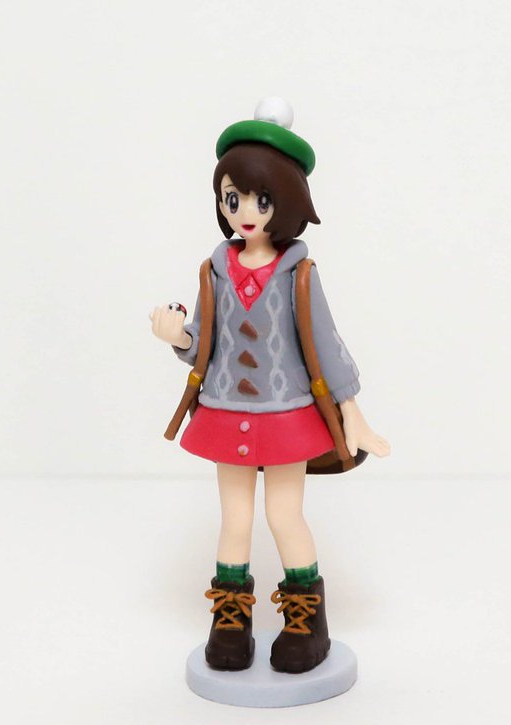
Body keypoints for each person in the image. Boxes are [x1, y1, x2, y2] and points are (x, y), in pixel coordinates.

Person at [149, 98, 390, 674]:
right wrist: (177, 336)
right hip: (224, 408)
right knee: (234, 520)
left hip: (286, 413)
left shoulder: (298, 272)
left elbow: (325, 342)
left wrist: (352, 410)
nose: (245, 213)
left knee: (284, 516)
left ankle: (307, 621)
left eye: (261, 199)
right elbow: (204, 342)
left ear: (288, 201)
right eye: (232, 199)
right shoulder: (214, 269)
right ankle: (230, 619)